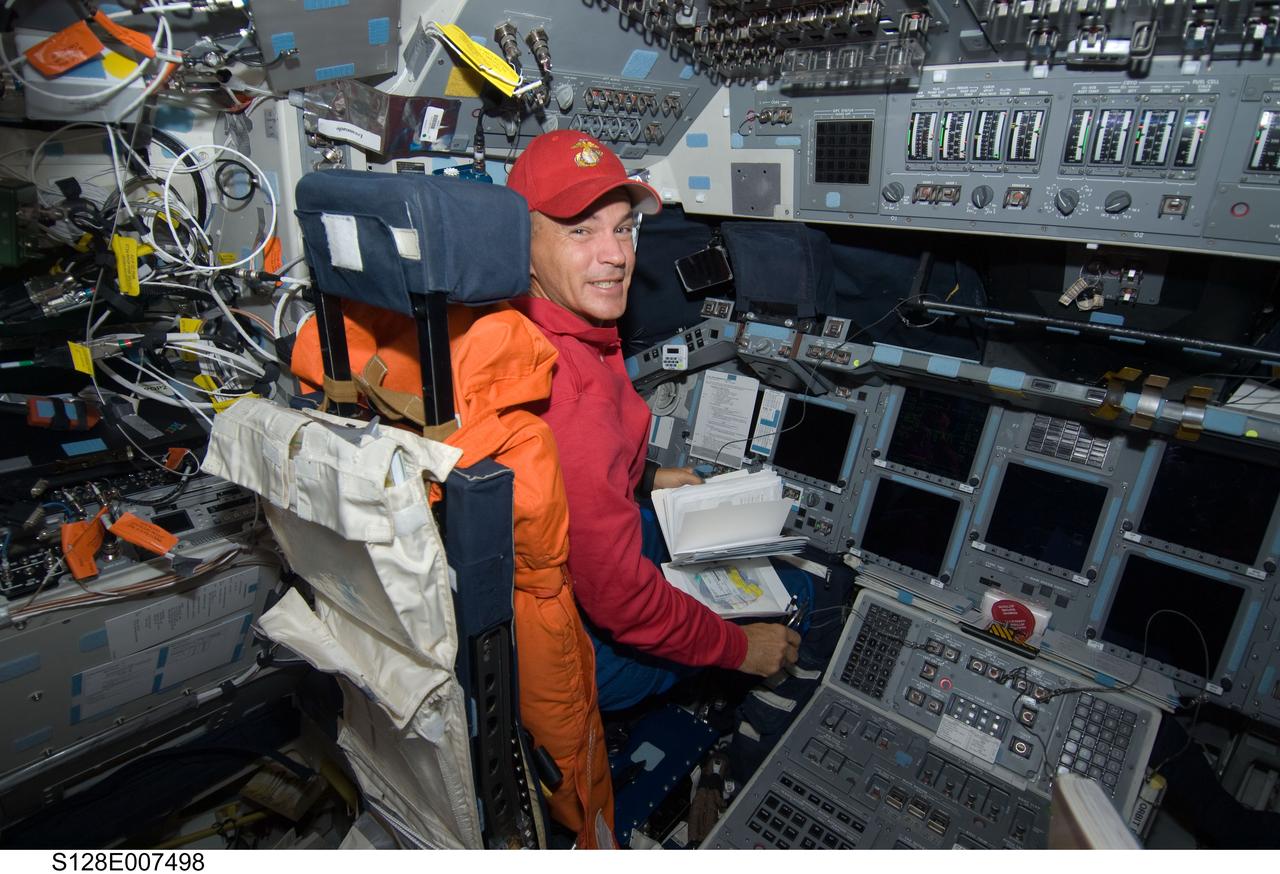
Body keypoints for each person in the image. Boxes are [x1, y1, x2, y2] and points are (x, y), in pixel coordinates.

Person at [505, 130, 801, 711]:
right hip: (570, 649)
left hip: (534, 584)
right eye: (580, 231)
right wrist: (742, 648)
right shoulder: (570, 395)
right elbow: (625, 604)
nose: (614, 254)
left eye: (622, 228)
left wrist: (645, 478)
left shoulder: (536, 326)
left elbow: (560, 478)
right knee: (799, 594)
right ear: (522, 242)